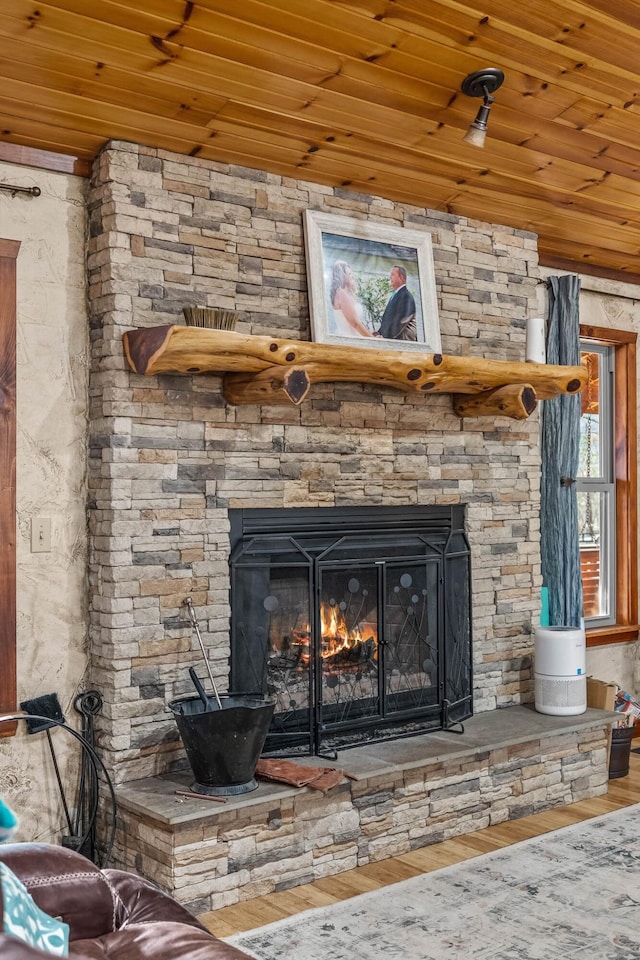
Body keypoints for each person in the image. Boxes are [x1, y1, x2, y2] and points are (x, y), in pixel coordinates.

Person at [329, 260, 373, 338]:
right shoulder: (342, 294)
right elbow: (355, 323)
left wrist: (372, 334)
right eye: (349, 274)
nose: (352, 276)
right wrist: (373, 340)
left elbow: (357, 323)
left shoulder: (346, 295)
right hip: (349, 339)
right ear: (342, 276)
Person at [377, 265, 417, 341]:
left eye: (392, 274)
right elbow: (388, 320)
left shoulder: (406, 296)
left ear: (401, 277)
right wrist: (379, 333)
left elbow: (400, 322)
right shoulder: (396, 295)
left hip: (403, 343)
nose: (390, 277)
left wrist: (384, 337)